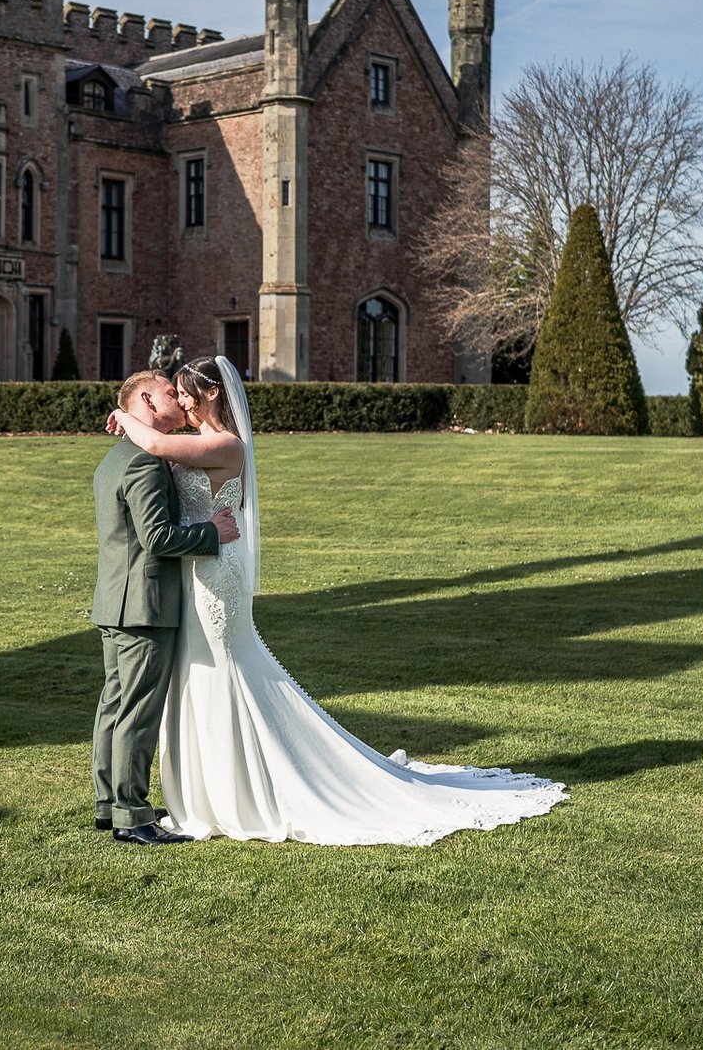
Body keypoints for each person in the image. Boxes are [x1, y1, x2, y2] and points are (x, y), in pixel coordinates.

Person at [108, 355, 567, 845]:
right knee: (198, 677)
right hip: (194, 570)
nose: (179, 402)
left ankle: (238, 794)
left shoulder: (225, 445)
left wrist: (127, 417)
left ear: (213, 393)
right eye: (173, 394)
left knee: (220, 672)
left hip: (213, 576)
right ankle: (206, 794)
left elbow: (156, 443)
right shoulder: (196, 442)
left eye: (184, 393)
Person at [91, 369, 241, 846]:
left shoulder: (116, 457)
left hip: (116, 601)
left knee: (114, 705)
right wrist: (212, 534)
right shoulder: (145, 463)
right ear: (146, 401)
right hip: (145, 603)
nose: (177, 397)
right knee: (137, 710)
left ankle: (109, 803)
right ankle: (132, 816)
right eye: (167, 390)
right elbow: (157, 538)